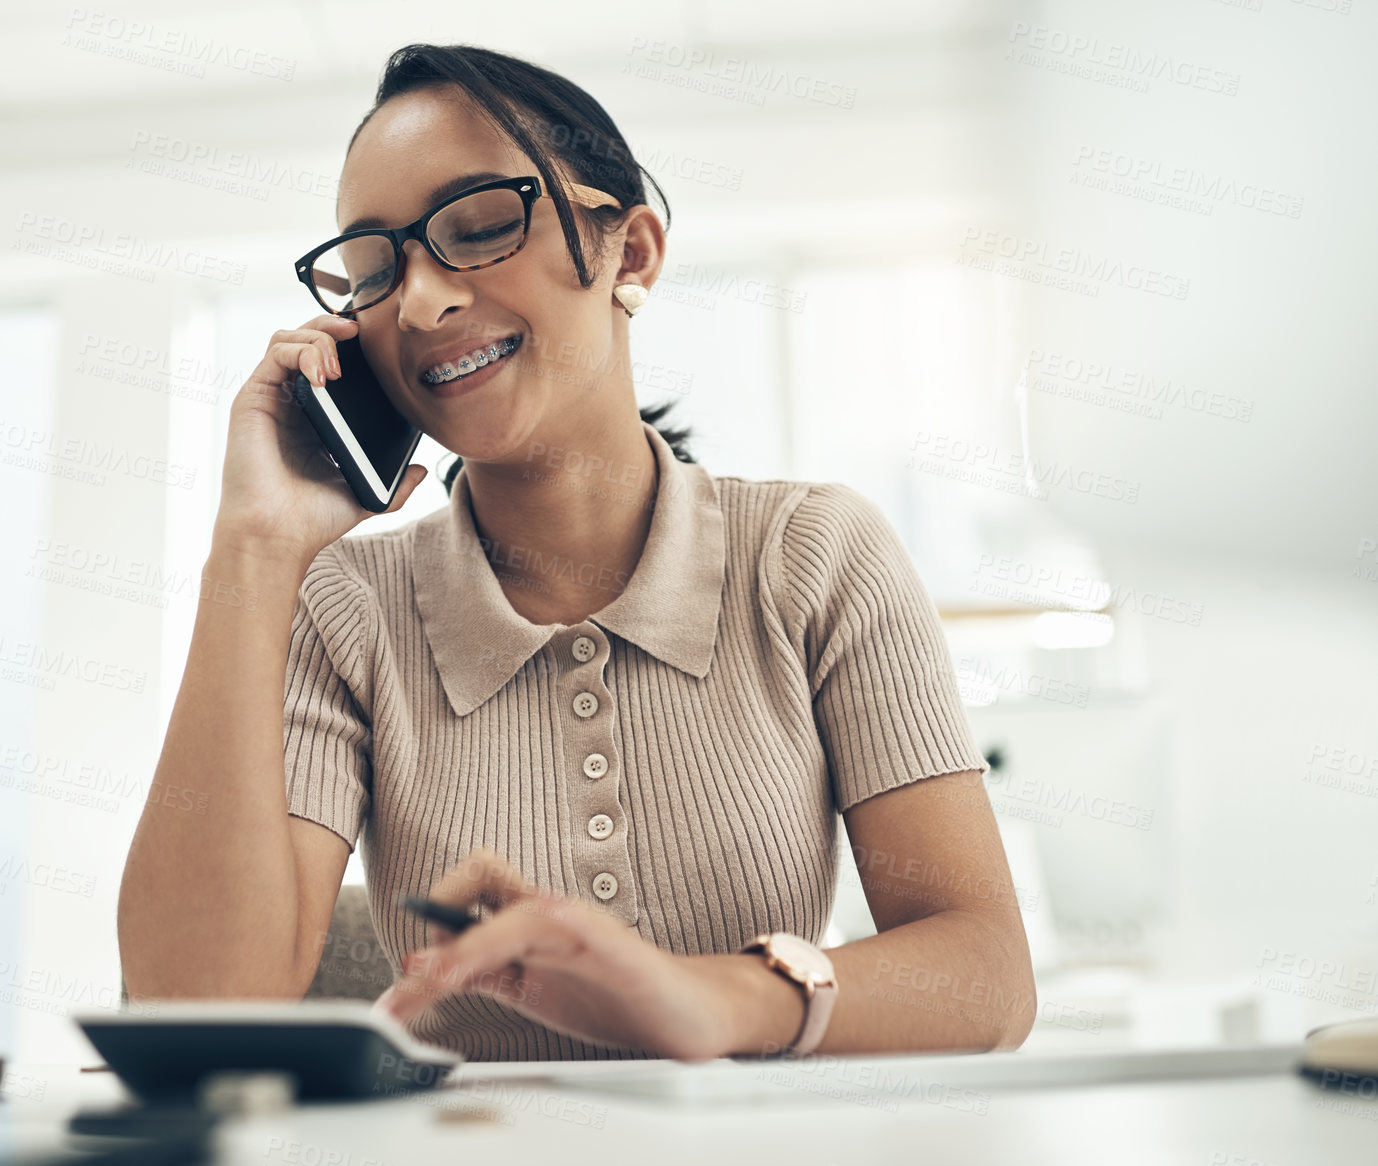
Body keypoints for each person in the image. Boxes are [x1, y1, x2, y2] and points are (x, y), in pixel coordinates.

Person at [117, 43, 1036, 1062]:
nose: (419, 304)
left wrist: (709, 1000)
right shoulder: (346, 605)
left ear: (629, 253)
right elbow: (192, 1009)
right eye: (375, 268)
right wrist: (251, 550)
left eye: (477, 227)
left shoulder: (814, 554)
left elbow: (986, 972)